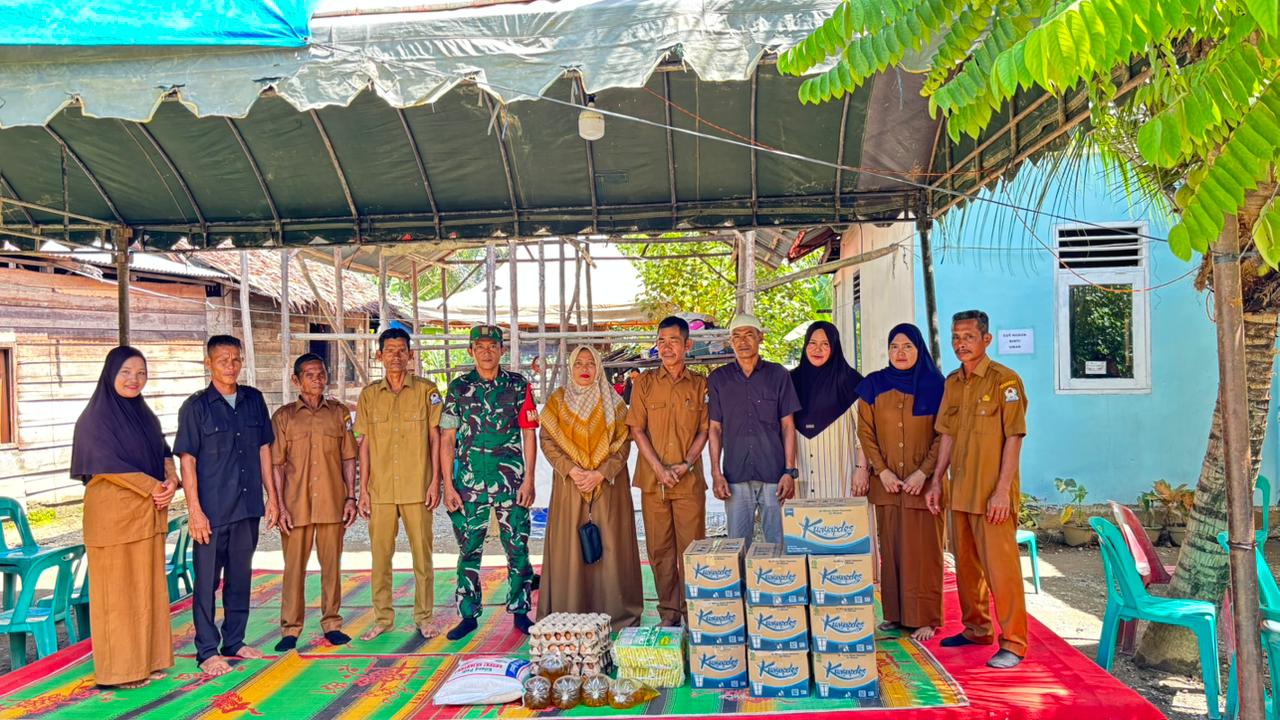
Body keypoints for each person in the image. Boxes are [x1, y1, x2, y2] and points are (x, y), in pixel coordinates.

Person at [927, 310, 1029, 669]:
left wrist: (1002, 491)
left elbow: (1014, 437)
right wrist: (937, 480)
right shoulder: (953, 383)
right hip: (961, 492)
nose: (961, 344)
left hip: (991, 496)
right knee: (967, 569)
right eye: (956, 337)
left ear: (986, 339)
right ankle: (977, 628)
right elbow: (947, 435)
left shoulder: (1005, 381)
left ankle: (1014, 642)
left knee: (1002, 571)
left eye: (969, 337)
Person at [71, 346, 178, 689]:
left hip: (147, 514)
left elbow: (163, 452)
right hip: (113, 519)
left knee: (147, 591)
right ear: (110, 374)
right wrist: (156, 487)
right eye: (126, 372)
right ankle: (119, 671)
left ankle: (148, 660)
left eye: (141, 373)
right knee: (117, 596)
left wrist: (171, 480)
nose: (135, 379)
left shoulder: (144, 415)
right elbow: (108, 465)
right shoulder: (95, 419)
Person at [175, 335, 278, 677]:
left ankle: (234, 641)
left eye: (235, 359)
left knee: (240, 577)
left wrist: (272, 496)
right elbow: (187, 461)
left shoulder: (253, 399)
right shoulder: (196, 407)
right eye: (223, 360)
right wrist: (194, 510)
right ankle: (207, 651)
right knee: (206, 582)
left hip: (247, 506)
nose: (230, 366)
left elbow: (264, 450)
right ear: (209, 364)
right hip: (212, 511)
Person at [437, 325, 539, 640]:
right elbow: (447, 438)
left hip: (511, 483)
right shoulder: (458, 388)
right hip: (469, 484)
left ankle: (520, 612)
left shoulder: (518, 385)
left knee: (517, 548)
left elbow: (529, 433)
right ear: (471, 351)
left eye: (492, 346)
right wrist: (448, 485)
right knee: (469, 550)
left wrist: (529, 480)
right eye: (480, 346)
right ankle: (468, 616)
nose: (486, 352)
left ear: (501, 350)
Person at [539, 345, 643, 630]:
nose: (585, 369)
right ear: (570, 368)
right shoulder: (557, 402)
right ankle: (571, 612)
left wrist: (600, 473)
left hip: (608, 487)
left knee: (611, 547)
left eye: (590, 363)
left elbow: (623, 446)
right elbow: (547, 441)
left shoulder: (615, 403)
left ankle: (616, 615)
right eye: (579, 363)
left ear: (599, 368)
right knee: (571, 550)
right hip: (570, 487)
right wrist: (572, 470)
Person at [856, 323, 946, 641]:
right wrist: (882, 471)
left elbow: (944, 435)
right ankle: (894, 614)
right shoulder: (873, 385)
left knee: (924, 551)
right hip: (888, 484)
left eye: (907, 346)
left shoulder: (936, 386)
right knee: (892, 550)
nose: (900, 352)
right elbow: (865, 432)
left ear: (919, 349)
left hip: (925, 486)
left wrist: (924, 472)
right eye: (894, 346)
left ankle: (926, 617)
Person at [354, 327, 443, 640]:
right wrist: (363, 490)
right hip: (380, 490)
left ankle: (424, 617)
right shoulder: (368, 395)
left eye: (401, 350)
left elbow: (436, 437)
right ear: (379, 356)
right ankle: (383, 618)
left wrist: (435, 481)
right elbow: (364, 444)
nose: (396, 356)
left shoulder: (427, 391)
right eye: (389, 350)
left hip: (418, 487)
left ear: (410, 355)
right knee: (380, 559)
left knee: (422, 557)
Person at [270, 354, 359, 652]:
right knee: (293, 568)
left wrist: (350, 497)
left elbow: (349, 457)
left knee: (331, 566)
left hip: (333, 502)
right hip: (295, 506)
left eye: (321, 373)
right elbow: (276, 464)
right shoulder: (284, 417)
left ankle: (332, 623)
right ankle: (290, 628)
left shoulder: (339, 413)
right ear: (296, 380)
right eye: (310, 375)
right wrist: (279, 505)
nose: (317, 379)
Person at [628, 316, 710, 627]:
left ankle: (693, 614)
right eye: (661, 341)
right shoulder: (644, 383)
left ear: (687, 345)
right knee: (660, 551)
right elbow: (637, 430)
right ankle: (669, 614)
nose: (666, 347)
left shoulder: (700, 384)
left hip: (688, 482)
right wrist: (659, 469)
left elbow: (705, 430)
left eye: (673, 341)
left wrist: (686, 463)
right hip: (654, 482)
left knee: (692, 550)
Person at [707, 313, 801, 548]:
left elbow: (788, 425)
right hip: (735, 475)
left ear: (761, 338)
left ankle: (777, 575)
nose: (742, 341)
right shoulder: (719, 379)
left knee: (778, 545)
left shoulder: (778, 375)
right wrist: (716, 473)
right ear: (730, 341)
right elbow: (715, 428)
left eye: (749, 334)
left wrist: (789, 471)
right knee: (737, 546)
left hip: (774, 474)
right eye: (736, 336)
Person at [790, 321, 867, 499]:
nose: (818, 349)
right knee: (803, 516)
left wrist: (862, 468)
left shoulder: (851, 382)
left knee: (839, 516)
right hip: (800, 473)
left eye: (825, 344)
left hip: (840, 474)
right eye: (812, 343)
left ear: (834, 347)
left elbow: (864, 431)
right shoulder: (790, 381)